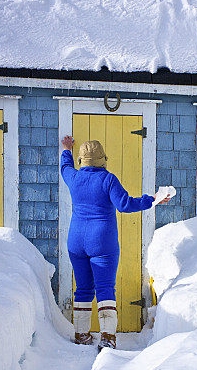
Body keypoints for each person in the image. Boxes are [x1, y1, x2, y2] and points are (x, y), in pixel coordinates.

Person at [60, 135, 168, 351]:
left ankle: (81, 334)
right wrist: (152, 199)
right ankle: (107, 337)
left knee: (83, 288)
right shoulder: (108, 179)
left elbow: (65, 166)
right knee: (104, 287)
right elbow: (125, 204)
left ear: (82, 161)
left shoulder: (73, 177)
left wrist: (66, 149)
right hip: (102, 241)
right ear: (103, 160)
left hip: (76, 240)